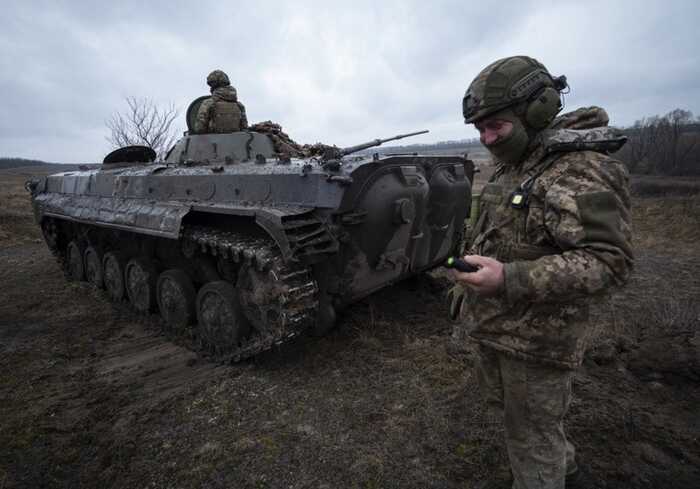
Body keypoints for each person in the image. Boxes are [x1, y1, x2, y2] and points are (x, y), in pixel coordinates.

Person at [449, 56, 633, 488]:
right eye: (479, 129)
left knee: (532, 436)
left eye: (496, 126)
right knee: (522, 423)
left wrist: (509, 279)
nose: (487, 138)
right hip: (499, 326)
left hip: (537, 340)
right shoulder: (522, 162)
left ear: (535, 111)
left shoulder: (579, 168)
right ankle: (562, 465)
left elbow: (609, 261)